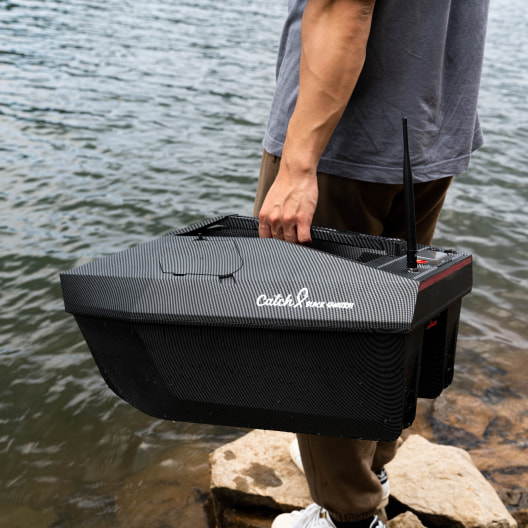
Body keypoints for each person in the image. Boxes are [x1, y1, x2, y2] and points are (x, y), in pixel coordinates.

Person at [252, 0, 490, 527]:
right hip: (428, 130)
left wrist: (297, 164)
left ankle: (348, 513)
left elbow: (343, 8)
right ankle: (369, 465)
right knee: (395, 323)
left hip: (347, 141)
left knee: (316, 335)